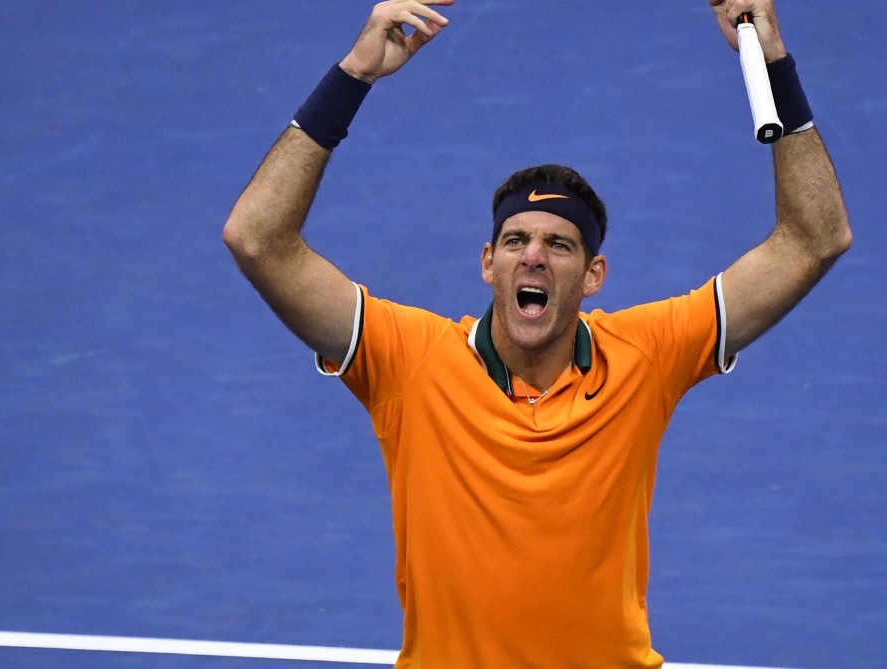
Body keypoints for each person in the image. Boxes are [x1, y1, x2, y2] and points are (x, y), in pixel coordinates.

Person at [223, 0, 850, 666]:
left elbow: (815, 239)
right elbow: (257, 239)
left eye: (559, 244)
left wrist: (774, 63)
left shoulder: (647, 354)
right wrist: (352, 75)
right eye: (516, 239)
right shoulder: (407, 360)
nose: (534, 257)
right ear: (488, 262)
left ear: (594, 274)